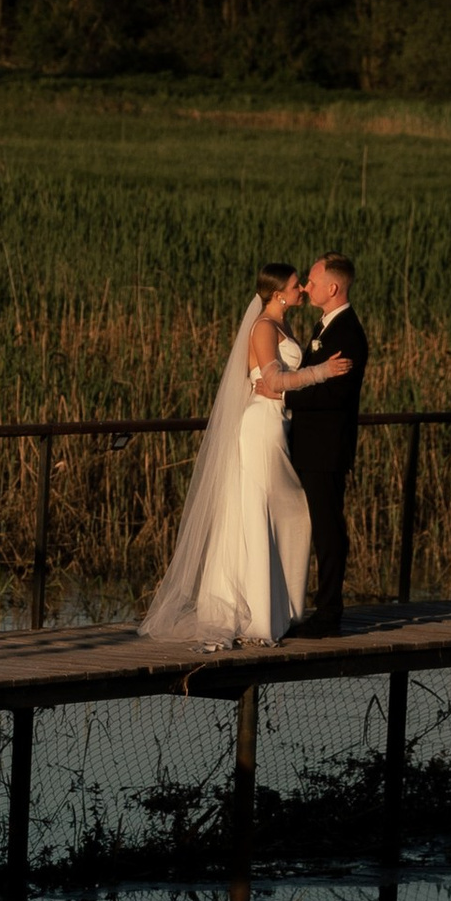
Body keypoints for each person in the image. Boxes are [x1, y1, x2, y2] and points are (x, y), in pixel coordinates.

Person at [139, 267, 333, 647]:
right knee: (269, 509)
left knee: (282, 511)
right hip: (262, 425)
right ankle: (261, 612)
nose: (302, 290)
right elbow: (274, 381)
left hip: (279, 423)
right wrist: (322, 373)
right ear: (278, 293)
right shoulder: (263, 327)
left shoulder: (286, 327)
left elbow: (276, 381)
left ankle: (278, 607)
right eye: (296, 286)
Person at [256, 255, 369, 636]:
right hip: (308, 444)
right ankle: (297, 604)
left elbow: (335, 395)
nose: (306, 286)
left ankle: (329, 612)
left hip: (326, 447)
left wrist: (283, 398)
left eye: (313, 280)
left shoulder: (348, 333)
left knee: (327, 527)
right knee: (315, 523)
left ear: (333, 288)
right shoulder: (325, 326)